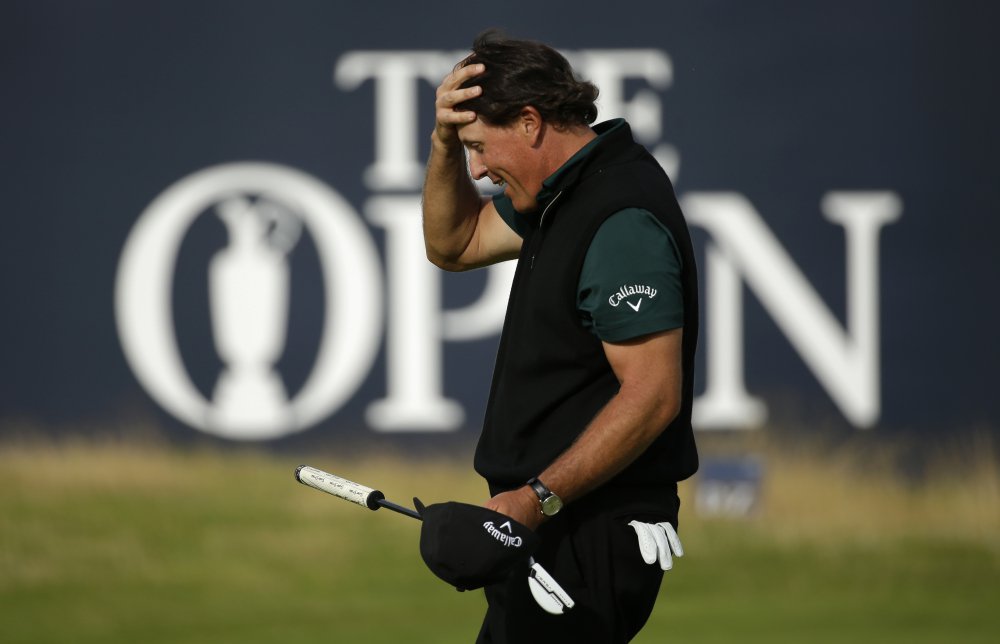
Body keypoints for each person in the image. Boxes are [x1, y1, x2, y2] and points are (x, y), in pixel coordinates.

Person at [421, 30, 699, 643]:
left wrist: (536, 497)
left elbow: (652, 397)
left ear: (528, 122)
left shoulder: (620, 218)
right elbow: (454, 243)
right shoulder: (565, 192)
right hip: (551, 523)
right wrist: (443, 141)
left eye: (477, 147)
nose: (476, 170)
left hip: (588, 531)